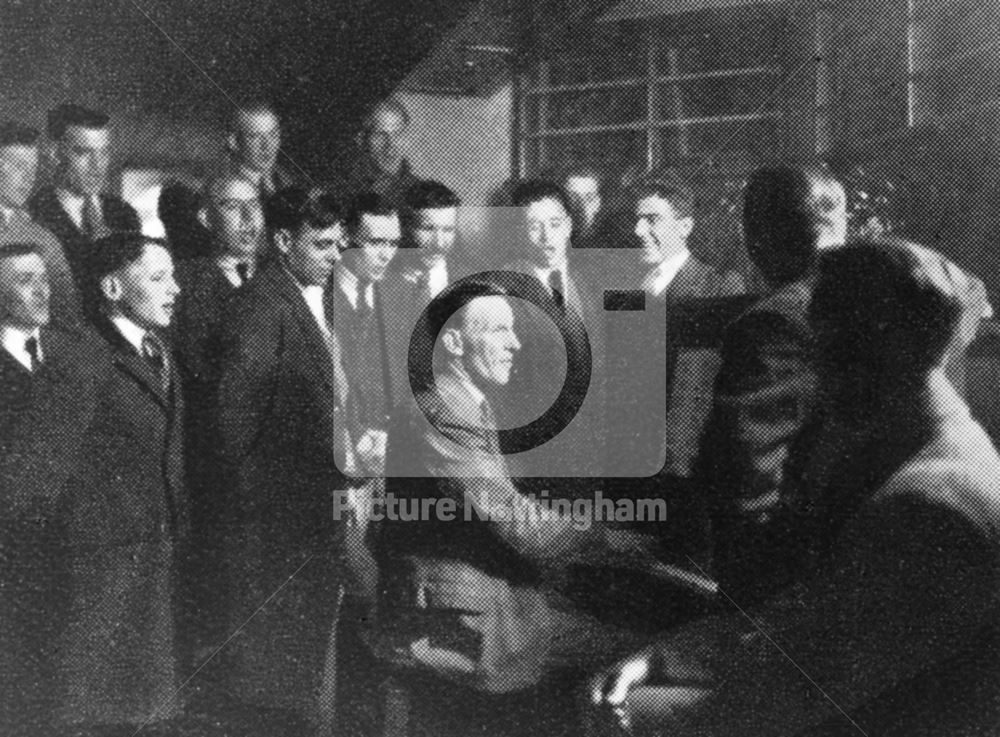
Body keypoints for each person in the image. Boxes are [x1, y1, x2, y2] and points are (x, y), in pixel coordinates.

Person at [591, 238, 1000, 737]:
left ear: (877, 351)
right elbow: (814, 619)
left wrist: (626, 713)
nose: (821, 377)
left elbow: (795, 690)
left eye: (828, 350)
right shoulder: (915, 449)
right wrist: (667, 654)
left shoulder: (932, 502)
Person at [377, 280, 659, 737]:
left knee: (612, 634)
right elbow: (510, 517)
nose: (514, 343)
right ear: (453, 343)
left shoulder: (462, 402)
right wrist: (608, 540)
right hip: (453, 616)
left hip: (468, 597)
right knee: (637, 650)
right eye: (497, 331)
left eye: (513, 330)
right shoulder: (446, 409)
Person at [1, 233, 186, 735]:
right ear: (111, 287)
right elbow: (30, 475)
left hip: (151, 556)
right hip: (96, 568)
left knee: (145, 713)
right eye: (156, 278)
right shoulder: (81, 356)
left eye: (173, 276)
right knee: (93, 712)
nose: (174, 289)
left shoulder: (158, 348)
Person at [214, 185, 354, 735]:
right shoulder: (261, 307)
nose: (336, 256)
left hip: (305, 523)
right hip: (278, 535)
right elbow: (234, 433)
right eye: (323, 246)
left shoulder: (306, 296)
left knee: (299, 680)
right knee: (278, 692)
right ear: (282, 241)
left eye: (340, 244)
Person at [692, 163, 847, 603]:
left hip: (787, 581)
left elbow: (746, 476)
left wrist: (740, 593)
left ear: (755, 236)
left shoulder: (773, 325)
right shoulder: (878, 298)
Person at [170, 173, 263, 660]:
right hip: (210, 460)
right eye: (234, 208)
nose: (250, 220)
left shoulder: (278, 276)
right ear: (207, 219)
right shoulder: (182, 281)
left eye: (255, 207)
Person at [0, 242, 91, 735]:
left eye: (44, 278)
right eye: (24, 280)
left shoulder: (73, 354)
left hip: (72, 537)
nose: (41, 290)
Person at [498, 179, 606, 484]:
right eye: (534, 226)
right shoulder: (503, 288)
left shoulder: (590, 283)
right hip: (533, 457)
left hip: (589, 453)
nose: (546, 237)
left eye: (555, 223)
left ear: (569, 225)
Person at [28, 104, 141, 304]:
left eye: (104, 153)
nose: (97, 166)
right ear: (54, 153)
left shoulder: (124, 213)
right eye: (83, 153)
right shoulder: (33, 214)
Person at [330, 190, 400, 476]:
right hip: (342, 460)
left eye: (393, 243)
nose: (386, 255)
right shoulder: (321, 299)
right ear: (345, 238)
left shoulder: (397, 295)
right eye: (375, 242)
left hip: (396, 455)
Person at [381, 179, 466, 406]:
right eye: (428, 229)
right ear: (404, 228)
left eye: (448, 230)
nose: (439, 243)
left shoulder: (470, 283)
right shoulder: (378, 285)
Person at [0, 121, 82, 328]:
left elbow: (68, 315)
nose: (29, 177)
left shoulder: (43, 239)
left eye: (33, 168)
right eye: (19, 166)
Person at [344, 97, 420, 206]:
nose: (391, 144)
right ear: (361, 140)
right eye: (380, 135)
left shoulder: (419, 194)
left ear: (407, 140)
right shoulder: (340, 192)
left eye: (398, 134)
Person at [221, 102, 299, 199]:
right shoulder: (221, 188)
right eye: (255, 136)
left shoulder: (293, 183)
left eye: (273, 135)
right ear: (233, 142)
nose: (267, 145)